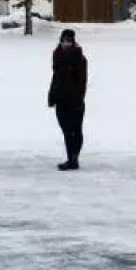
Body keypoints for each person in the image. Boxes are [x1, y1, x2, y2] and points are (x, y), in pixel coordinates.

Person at [48, 28, 87, 171]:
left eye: (69, 41)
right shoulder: (57, 55)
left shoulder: (79, 58)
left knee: (75, 130)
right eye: (64, 41)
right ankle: (72, 158)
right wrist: (52, 95)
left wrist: (78, 99)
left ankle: (73, 159)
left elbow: (82, 81)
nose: (66, 44)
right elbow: (55, 77)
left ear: (73, 42)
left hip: (75, 100)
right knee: (66, 129)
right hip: (61, 99)